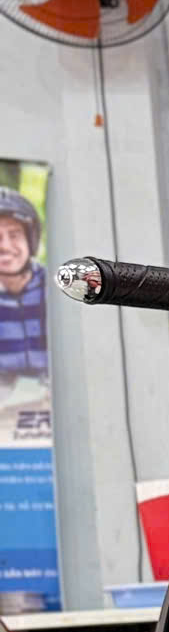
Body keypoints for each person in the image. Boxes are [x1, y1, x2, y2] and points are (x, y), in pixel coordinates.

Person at [0, 186, 51, 446]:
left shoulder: (54, 288)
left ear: (31, 240)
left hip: (55, 408)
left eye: (14, 235)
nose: (5, 246)